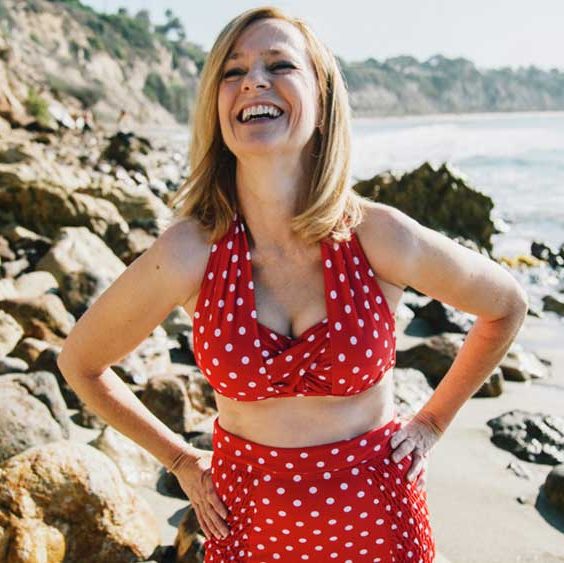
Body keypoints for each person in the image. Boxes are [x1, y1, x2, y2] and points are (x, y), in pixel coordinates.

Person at [57, 6, 529, 562]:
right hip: (248, 523)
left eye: (280, 64)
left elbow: (506, 305)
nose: (254, 80)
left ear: (323, 102)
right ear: (217, 107)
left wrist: (431, 422)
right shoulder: (191, 253)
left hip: (379, 518)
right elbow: (81, 364)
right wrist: (183, 460)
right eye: (233, 72)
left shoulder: (378, 237)